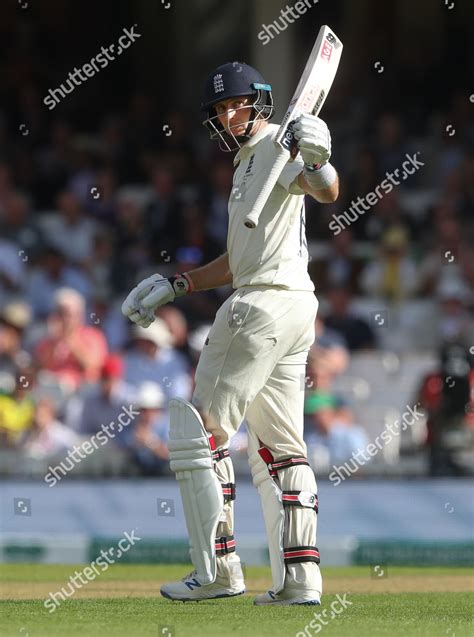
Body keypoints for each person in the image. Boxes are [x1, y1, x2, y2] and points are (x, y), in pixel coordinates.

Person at [122, 62, 339, 605]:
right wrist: (179, 284)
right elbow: (240, 261)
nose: (228, 114)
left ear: (261, 103)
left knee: (201, 434)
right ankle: (299, 581)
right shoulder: (248, 160)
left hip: (260, 307)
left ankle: (217, 572)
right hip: (291, 305)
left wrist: (319, 158)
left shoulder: (275, 146)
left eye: (237, 104)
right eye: (220, 109)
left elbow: (327, 190)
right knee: (281, 448)